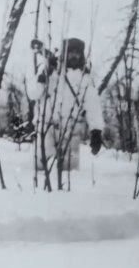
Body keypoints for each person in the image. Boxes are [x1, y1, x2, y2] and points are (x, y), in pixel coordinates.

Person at [33, 38, 104, 179]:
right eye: (71, 52)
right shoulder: (50, 69)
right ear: (65, 53)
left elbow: (92, 105)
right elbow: (33, 93)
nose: (74, 56)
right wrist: (44, 76)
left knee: (69, 174)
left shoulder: (86, 77)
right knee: (42, 171)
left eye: (77, 52)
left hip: (71, 130)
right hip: (47, 128)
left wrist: (96, 131)